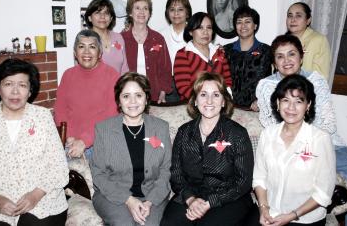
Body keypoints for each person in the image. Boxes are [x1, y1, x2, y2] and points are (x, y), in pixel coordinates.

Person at [256, 34, 347, 226]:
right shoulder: (266, 85)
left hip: (326, 142)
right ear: (274, 62)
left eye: (292, 54)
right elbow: (268, 121)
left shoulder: (316, 81)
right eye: (280, 56)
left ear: (301, 56)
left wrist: (305, 135)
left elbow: (329, 123)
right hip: (284, 140)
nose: (287, 61)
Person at [0, 58, 68, 226]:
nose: (15, 92)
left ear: (30, 91)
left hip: (43, 201)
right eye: (8, 84)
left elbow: (58, 166)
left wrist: (35, 195)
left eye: (22, 85)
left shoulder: (42, 117)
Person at [160, 72, 255, 226]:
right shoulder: (184, 132)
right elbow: (176, 173)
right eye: (203, 94)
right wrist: (191, 200)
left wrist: (210, 202)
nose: (209, 101)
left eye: (216, 95)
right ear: (195, 101)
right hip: (191, 195)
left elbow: (243, 182)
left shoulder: (237, 134)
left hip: (229, 198)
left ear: (223, 101)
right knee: (170, 223)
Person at [90, 72, 172, 226]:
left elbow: (166, 169)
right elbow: (98, 173)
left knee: (150, 224)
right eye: (126, 96)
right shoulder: (103, 129)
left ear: (147, 99)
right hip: (113, 195)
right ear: (119, 101)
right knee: (124, 223)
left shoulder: (161, 127)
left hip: (152, 194)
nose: (133, 102)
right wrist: (128, 200)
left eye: (138, 95)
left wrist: (150, 202)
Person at [254, 74, 336, 226]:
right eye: (285, 100)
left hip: (305, 219)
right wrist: (263, 209)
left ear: (308, 105)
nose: (291, 107)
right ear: (278, 103)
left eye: (298, 101)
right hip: (269, 214)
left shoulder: (320, 139)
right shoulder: (268, 134)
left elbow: (324, 193)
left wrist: (291, 216)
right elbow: (259, 178)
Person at [54, 29, 119, 160]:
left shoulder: (112, 75)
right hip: (70, 141)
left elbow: (111, 115)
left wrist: (84, 141)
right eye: (81, 47)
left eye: (92, 47)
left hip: (99, 142)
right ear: (75, 53)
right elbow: (60, 110)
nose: (86, 52)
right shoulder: (68, 75)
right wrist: (68, 136)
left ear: (100, 53)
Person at [122, 0, 172, 104]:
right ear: (130, 12)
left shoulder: (158, 39)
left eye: (145, 8)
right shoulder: (122, 39)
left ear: (149, 13)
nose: (141, 12)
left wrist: (163, 92)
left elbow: (166, 69)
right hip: (129, 97)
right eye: (137, 8)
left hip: (154, 95)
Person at [173, 12, 232, 100]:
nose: (205, 32)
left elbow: (227, 81)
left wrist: (225, 99)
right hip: (193, 105)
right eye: (200, 28)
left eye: (209, 27)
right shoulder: (183, 54)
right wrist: (204, 101)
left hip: (220, 103)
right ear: (190, 32)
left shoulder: (219, 52)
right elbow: (183, 88)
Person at [224, 6, 272, 111]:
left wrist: (262, 100)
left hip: (256, 109)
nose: (243, 26)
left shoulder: (267, 51)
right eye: (239, 22)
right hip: (229, 108)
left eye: (247, 21)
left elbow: (271, 81)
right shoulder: (226, 50)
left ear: (255, 25)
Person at [286, 2, 331, 80]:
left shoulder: (318, 40)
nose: (293, 20)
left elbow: (321, 77)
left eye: (298, 16)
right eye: (290, 16)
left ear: (308, 20)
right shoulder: (282, 42)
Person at [160, 0, 192, 102]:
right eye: (172, 9)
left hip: (190, 82)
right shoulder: (160, 35)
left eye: (180, 9)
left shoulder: (195, 33)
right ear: (167, 13)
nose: (176, 13)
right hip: (168, 84)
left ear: (187, 13)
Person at [85, 0, 129, 74]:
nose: (102, 16)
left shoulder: (118, 38)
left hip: (118, 85)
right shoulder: (85, 40)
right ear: (89, 18)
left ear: (111, 18)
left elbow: (124, 69)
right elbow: (81, 72)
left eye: (106, 13)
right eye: (98, 13)